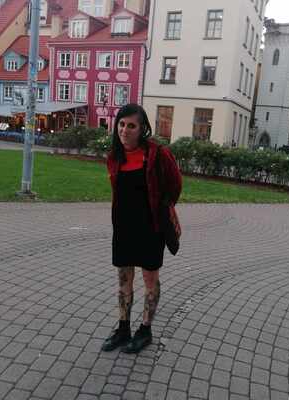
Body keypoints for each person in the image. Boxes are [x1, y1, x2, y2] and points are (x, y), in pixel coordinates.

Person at [102, 104, 182, 353]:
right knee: (123, 279)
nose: (124, 130)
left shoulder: (158, 154)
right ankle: (123, 329)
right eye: (121, 124)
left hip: (151, 229)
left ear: (142, 128)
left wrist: (163, 209)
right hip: (123, 227)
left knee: (150, 280)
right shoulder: (114, 156)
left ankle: (145, 330)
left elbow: (175, 185)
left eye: (131, 126)